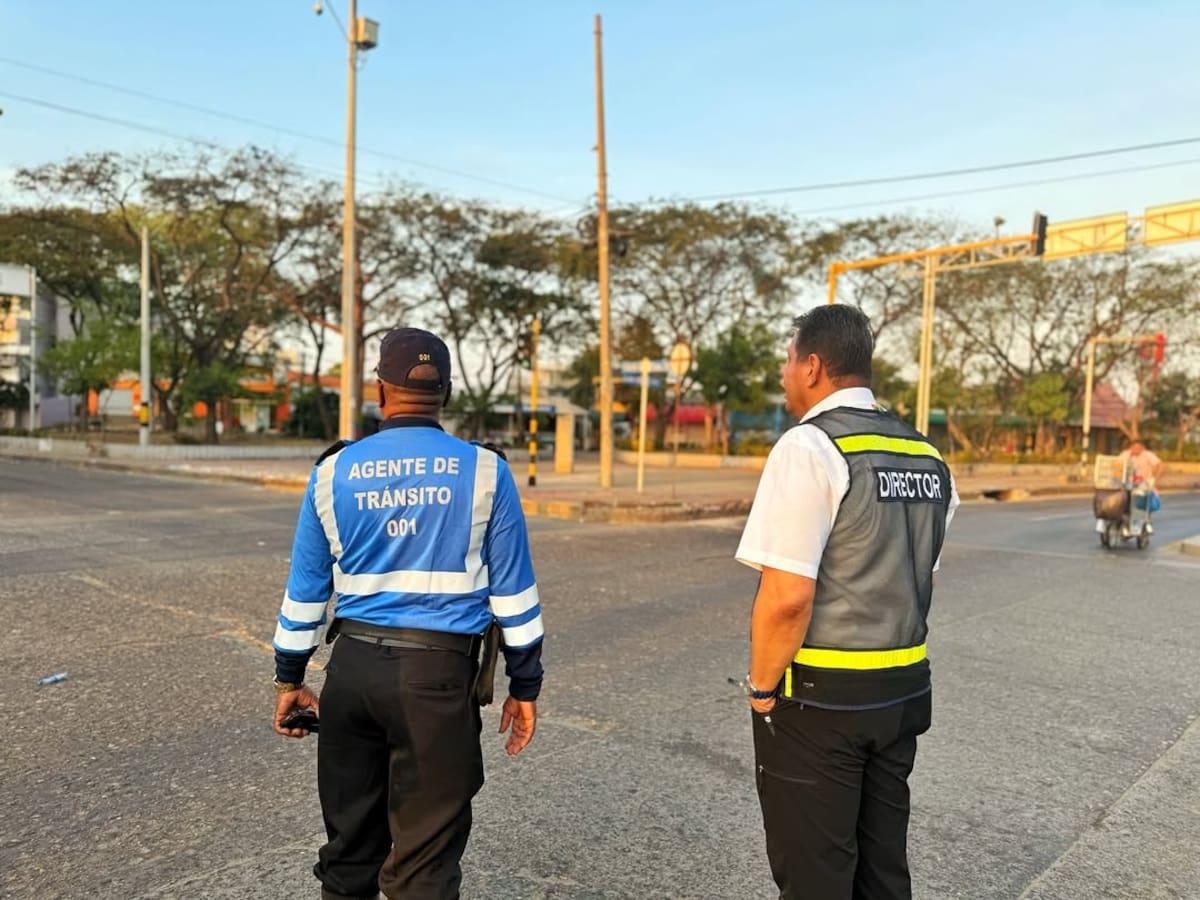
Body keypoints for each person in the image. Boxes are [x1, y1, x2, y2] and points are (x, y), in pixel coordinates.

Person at [270, 326, 544, 900]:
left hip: (350, 675)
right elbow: (515, 598)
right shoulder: (486, 472)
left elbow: (304, 594)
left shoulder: (332, 471)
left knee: (348, 859)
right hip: (438, 684)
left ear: (381, 390)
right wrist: (525, 684)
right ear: (445, 392)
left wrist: (290, 678)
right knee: (423, 870)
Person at [735, 304, 959, 900]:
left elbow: (787, 597)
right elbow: (921, 580)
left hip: (821, 701)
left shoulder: (809, 447)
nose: (784, 375)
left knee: (815, 875)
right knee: (883, 870)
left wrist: (761, 688)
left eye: (788, 362)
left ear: (812, 366)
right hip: (903, 691)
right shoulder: (926, 456)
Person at [1121, 438, 1164, 533]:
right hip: (1126, 483)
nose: (1135, 449)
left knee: (1141, 504)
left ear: (1142, 448)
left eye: (1138, 448)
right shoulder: (1125, 454)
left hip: (1143, 484)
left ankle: (1143, 522)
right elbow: (1117, 464)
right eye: (1133, 447)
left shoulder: (1148, 455)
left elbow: (1160, 465)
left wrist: (1154, 479)